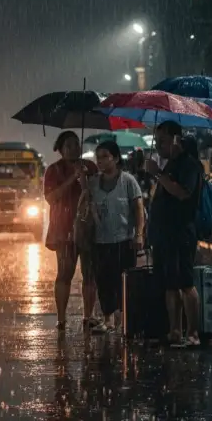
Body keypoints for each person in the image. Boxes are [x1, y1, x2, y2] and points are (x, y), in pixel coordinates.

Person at [145, 121, 202, 347]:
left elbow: (182, 193)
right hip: (163, 234)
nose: (158, 146)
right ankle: (175, 331)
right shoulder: (169, 165)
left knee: (186, 283)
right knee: (170, 284)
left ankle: (193, 333)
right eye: (156, 141)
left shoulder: (189, 165)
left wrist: (157, 173)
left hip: (181, 232)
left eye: (163, 141)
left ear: (176, 139)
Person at [84, 141, 145, 333]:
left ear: (116, 158)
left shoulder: (128, 181)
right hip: (100, 240)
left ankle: (125, 319)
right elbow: (86, 205)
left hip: (124, 239)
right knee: (103, 281)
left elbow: (138, 209)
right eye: (98, 157)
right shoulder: (93, 183)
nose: (100, 161)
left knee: (123, 282)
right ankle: (108, 319)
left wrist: (139, 234)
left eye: (105, 156)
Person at [44, 130, 98, 330]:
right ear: (60, 150)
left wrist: (85, 180)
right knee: (64, 273)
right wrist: (71, 179)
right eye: (69, 145)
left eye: (77, 144)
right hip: (64, 229)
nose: (75, 148)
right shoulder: (53, 170)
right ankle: (61, 318)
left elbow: (97, 193)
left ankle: (88, 316)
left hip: (88, 227)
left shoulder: (90, 167)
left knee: (90, 274)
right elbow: (51, 198)